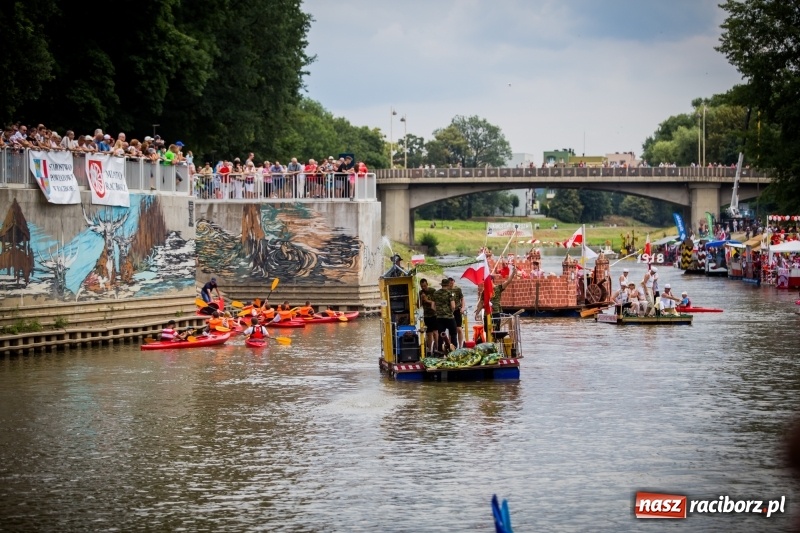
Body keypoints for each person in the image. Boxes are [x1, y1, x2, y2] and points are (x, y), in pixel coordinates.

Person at [433, 279, 456, 354]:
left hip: (440, 317)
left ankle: (440, 350)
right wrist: (450, 312)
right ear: (448, 285)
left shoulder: (436, 293)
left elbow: (432, 306)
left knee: (441, 334)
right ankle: (454, 349)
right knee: (453, 333)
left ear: (441, 285)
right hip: (449, 317)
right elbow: (453, 306)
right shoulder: (450, 293)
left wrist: (438, 311)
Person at [419, 279, 438, 353]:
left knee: (435, 332)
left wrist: (426, 300)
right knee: (429, 333)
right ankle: (430, 350)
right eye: (422, 286)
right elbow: (418, 305)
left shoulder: (433, 291)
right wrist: (421, 298)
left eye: (424, 286)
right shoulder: (420, 292)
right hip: (426, 315)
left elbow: (436, 302)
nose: (423, 287)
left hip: (434, 314)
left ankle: (437, 347)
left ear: (427, 284)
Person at [448, 277, 466, 348]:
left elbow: (462, 299)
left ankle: (460, 345)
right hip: (449, 311)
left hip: (457, 310)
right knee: (451, 329)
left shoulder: (458, 289)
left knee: (459, 328)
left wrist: (463, 307)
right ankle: (450, 345)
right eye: (450, 283)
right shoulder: (447, 290)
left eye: (452, 283)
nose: (451, 284)